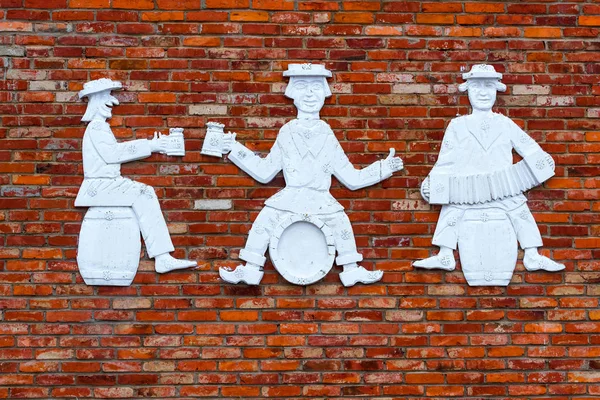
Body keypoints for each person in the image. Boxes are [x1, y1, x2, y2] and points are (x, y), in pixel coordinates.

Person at [218, 64, 404, 286]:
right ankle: (249, 269)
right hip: (291, 196)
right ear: (292, 94)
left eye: (316, 87)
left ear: (325, 93)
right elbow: (265, 172)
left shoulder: (327, 133)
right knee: (264, 221)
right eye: (302, 87)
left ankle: (351, 269)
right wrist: (235, 148)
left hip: (321, 199)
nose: (309, 94)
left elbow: (351, 179)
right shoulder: (287, 131)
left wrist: (383, 168)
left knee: (341, 223)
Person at [414, 64, 564, 276]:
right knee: (452, 208)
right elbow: (445, 161)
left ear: (496, 90)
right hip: (467, 188)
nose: (483, 93)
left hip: (503, 187)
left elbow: (529, 148)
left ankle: (532, 254)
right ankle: (445, 253)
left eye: (489, 87)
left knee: (520, 208)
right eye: (477, 87)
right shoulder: (457, 125)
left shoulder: (505, 123)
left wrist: (542, 162)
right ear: (467, 91)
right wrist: (430, 184)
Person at [75, 78, 196, 273]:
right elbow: (112, 154)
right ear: (96, 100)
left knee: (145, 193)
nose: (113, 102)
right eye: (107, 97)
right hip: (100, 186)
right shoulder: (97, 127)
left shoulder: (99, 126)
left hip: (107, 184)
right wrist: (151, 145)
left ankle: (163, 256)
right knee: (144, 194)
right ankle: (162, 257)